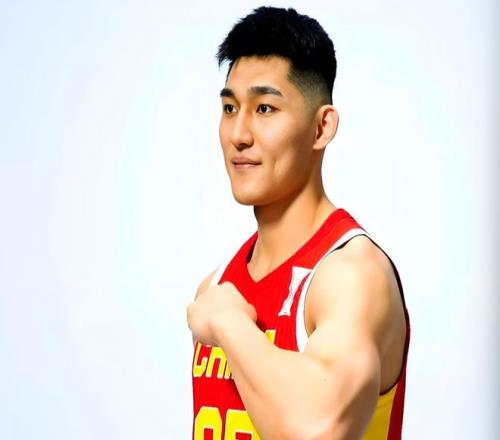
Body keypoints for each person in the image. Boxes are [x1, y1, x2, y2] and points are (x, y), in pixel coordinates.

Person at [186, 6, 410, 439]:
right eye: (230, 108)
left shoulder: (352, 276)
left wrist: (229, 323)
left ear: (321, 127)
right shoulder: (217, 287)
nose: (239, 134)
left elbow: (318, 429)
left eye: (265, 108)